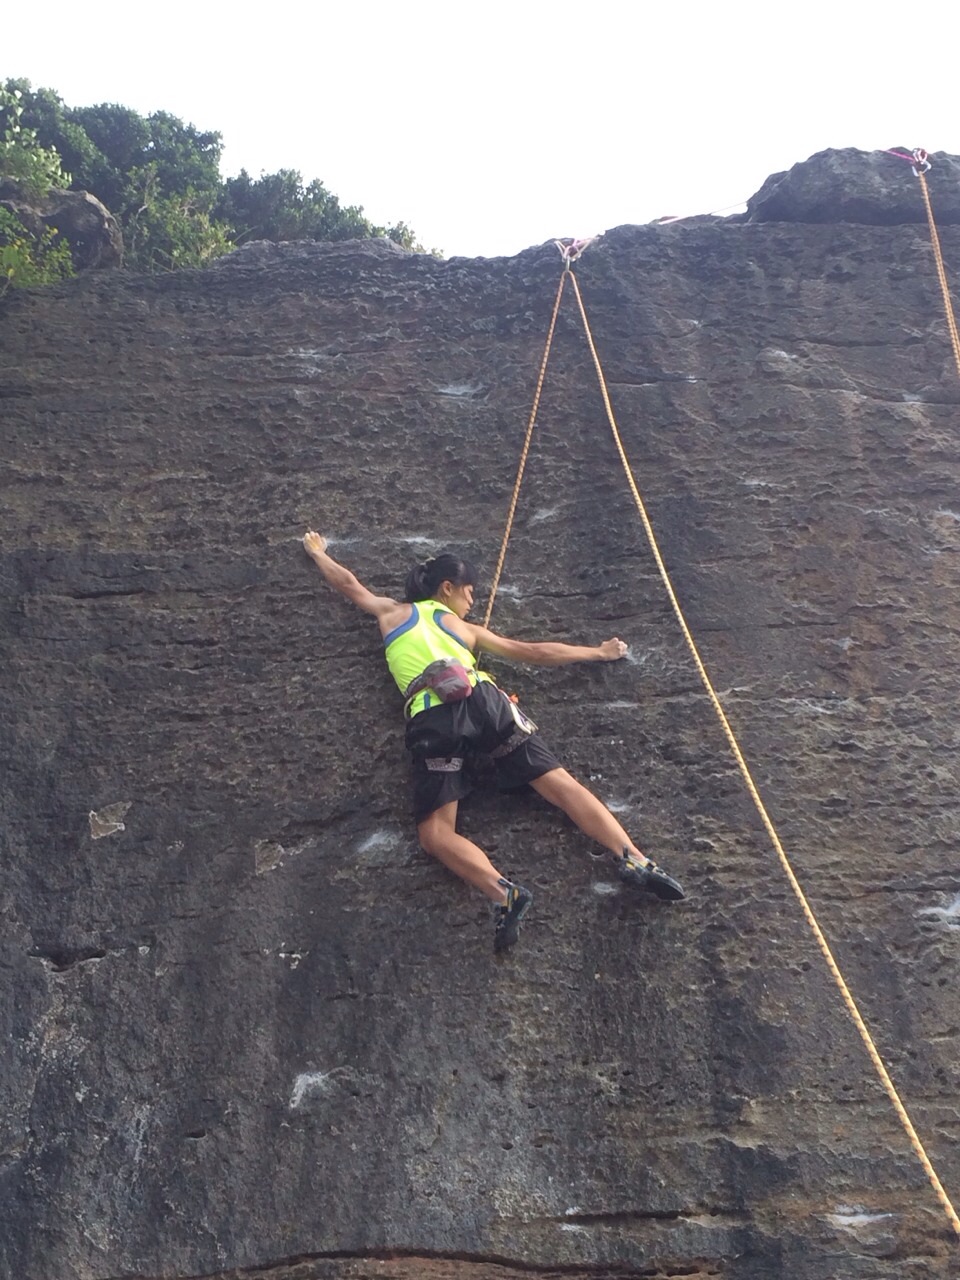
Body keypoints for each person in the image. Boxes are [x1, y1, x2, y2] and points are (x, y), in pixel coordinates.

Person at [303, 531, 684, 951]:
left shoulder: (392, 614)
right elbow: (533, 651)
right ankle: (634, 857)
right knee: (561, 786)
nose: (472, 602)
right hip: (485, 700)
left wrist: (319, 553)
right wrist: (598, 652)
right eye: (468, 593)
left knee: (435, 834)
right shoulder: (465, 630)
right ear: (446, 588)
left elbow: (348, 584)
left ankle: (505, 893)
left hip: (433, 715)